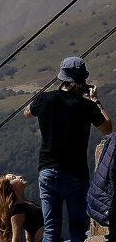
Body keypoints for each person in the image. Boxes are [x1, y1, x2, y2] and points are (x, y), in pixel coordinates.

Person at [25, 56, 113, 242]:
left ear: (61, 78)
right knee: (77, 233)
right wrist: (96, 100)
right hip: (76, 175)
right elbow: (108, 128)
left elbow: (28, 113)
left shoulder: (45, 99)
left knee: (51, 232)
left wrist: (40, 101)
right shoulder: (87, 106)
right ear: (83, 82)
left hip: (48, 171)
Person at [0, 173, 44, 242]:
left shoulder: (29, 203)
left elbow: (29, 238)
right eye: (14, 178)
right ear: (10, 187)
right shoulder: (17, 208)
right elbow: (16, 239)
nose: (20, 176)